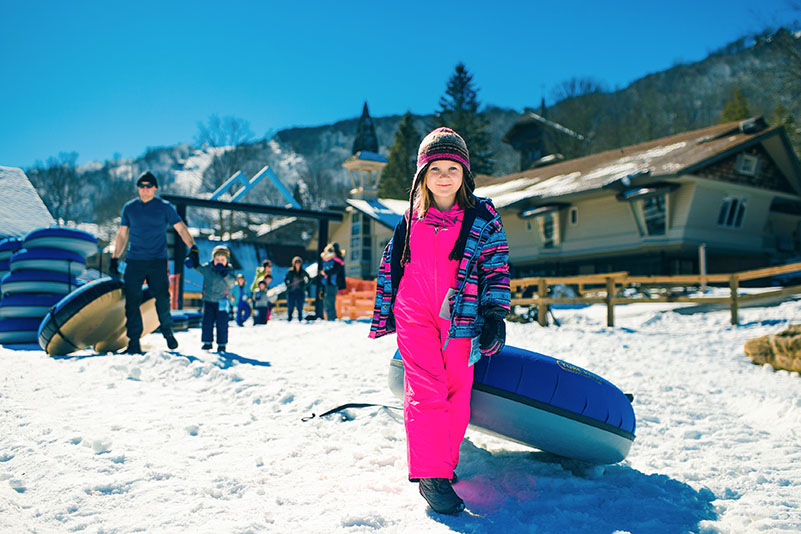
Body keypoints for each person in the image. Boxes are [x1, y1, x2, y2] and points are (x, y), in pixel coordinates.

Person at [368, 128, 510, 515]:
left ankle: (443, 467)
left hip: (460, 315)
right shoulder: (410, 219)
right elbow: (392, 265)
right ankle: (431, 478)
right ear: (422, 176)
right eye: (435, 168)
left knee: (457, 392)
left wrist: (495, 314)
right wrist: (387, 307)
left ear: (465, 173)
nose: (444, 176)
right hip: (413, 310)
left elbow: (495, 268)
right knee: (426, 389)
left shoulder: (483, 218)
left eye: (453, 167)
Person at [110, 170, 197, 354]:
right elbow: (122, 234)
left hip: (157, 261)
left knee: (163, 297)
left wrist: (193, 247)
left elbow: (180, 228)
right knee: (132, 301)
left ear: (155, 188)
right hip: (135, 261)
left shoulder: (164, 207)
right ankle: (134, 342)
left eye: (149, 186)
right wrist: (114, 258)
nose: (145, 189)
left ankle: (167, 330)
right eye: (141, 186)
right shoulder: (130, 208)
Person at [185, 245, 237, 352]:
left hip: (222, 302)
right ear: (213, 259)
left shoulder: (230, 271)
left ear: (227, 261)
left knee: (222, 324)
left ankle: (222, 344)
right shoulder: (208, 269)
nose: (219, 262)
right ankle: (207, 342)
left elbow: (232, 282)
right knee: (207, 322)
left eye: (222, 260)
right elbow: (198, 268)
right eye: (217, 259)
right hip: (208, 300)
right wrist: (192, 262)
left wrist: (225, 273)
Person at [320, 243, 345, 321]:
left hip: (332, 283)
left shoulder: (335, 259)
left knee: (330, 301)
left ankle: (331, 318)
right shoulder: (332, 259)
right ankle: (330, 317)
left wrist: (325, 272)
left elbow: (336, 270)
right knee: (328, 301)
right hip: (329, 283)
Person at [284, 256, 310, 322]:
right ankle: (289, 319)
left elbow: (309, 279)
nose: (297, 264)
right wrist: (288, 285)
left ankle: (300, 319)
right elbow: (285, 280)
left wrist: (305, 286)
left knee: (300, 306)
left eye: (299, 262)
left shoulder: (303, 272)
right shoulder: (290, 272)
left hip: (300, 291)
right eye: (296, 262)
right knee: (290, 306)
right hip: (291, 291)